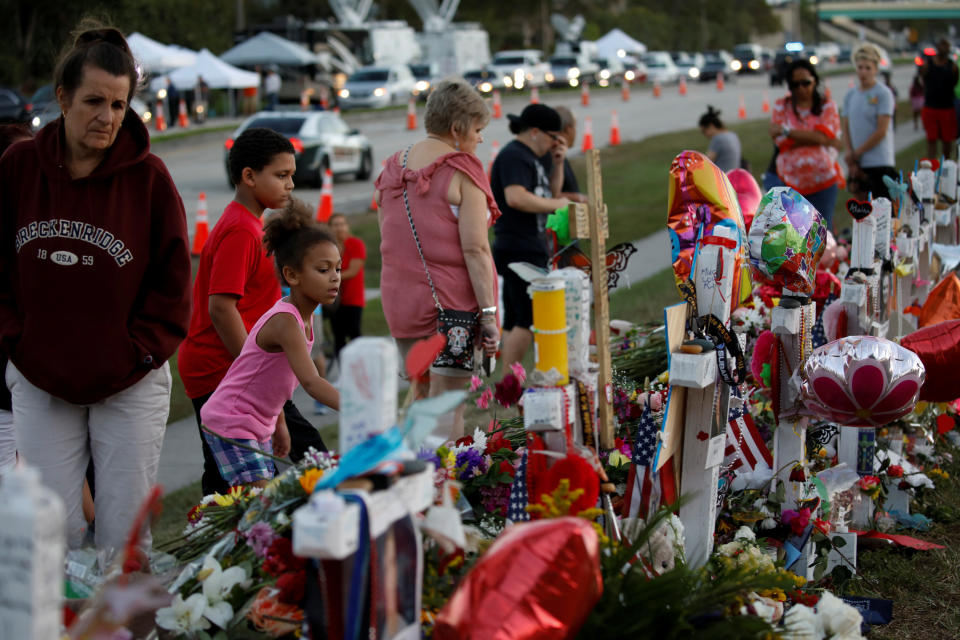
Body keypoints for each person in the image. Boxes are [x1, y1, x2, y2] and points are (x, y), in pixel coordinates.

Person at [0, 24, 191, 550]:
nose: (107, 117)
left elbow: (174, 284)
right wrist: (16, 339)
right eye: (93, 101)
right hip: (41, 379)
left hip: (128, 383)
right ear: (61, 98)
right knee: (48, 531)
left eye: (118, 103)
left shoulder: (149, 179)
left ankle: (127, 632)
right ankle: (53, 632)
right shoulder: (18, 168)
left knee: (123, 536)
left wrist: (140, 351)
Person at [178, 127, 328, 496]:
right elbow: (221, 308)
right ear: (248, 176)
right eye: (281, 175)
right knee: (310, 459)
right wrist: (256, 372)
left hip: (238, 368)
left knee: (227, 480)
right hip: (222, 370)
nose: (290, 184)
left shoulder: (248, 225)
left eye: (292, 175)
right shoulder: (241, 231)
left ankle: (224, 541)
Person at [374, 78, 501, 439]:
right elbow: (476, 248)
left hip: (402, 303)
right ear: (457, 128)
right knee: (448, 408)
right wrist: (489, 314)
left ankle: (415, 482)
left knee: (421, 397)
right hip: (452, 308)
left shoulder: (391, 169)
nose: (479, 139)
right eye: (477, 130)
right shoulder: (462, 171)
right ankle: (445, 486)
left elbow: (389, 236)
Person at [201, 201, 341, 488]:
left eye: (338, 268)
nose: (335, 277)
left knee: (261, 508)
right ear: (292, 275)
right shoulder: (286, 321)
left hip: (255, 425)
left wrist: (279, 425)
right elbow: (312, 383)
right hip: (233, 422)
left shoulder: (302, 317)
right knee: (260, 509)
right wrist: (358, 408)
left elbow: (268, 380)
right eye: (323, 269)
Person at [490, 104, 570, 368]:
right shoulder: (514, 156)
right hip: (517, 247)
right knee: (527, 318)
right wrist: (559, 207)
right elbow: (516, 197)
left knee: (517, 318)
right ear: (534, 132)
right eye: (553, 137)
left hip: (532, 245)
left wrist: (557, 164)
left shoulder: (537, 158)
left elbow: (550, 194)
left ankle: (509, 386)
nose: (554, 143)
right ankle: (510, 386)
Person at [769, 59, 844, 231]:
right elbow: (781, 142)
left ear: (815, 81)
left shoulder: (827, 106)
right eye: (796, 85)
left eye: (806, 83)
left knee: (822, 235)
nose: (801, 88)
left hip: (823, 181)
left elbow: (822, 137)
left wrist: (787, 131)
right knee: (793, 238)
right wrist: (817, 138)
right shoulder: (782, 106)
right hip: (790, 183)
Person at [842, 43, 897, 201]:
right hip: (859, 163)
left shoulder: (883, 93)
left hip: (879, 159)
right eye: (860, 67)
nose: (863, 72)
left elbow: (881, 130)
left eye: (868, 68)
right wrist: (850, 153)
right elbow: (846, 126)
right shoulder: (851, 95)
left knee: (882, 208)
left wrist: (858, 151)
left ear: (876, 69)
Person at [327, 213, 366, 361]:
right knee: (338, 336)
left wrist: (330, 277)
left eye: (342, 224)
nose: (339, 228)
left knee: (355, 334)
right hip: (334, 298)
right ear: (329, 228)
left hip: (353, 298)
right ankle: (343, 373)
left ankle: (361, 368)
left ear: (347, 226)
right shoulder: (328, 247)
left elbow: (353, 270)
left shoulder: (356, 244)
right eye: (335, 225)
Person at [920, 38, 959, 160]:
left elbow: (955, 81)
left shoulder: (952, 66)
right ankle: (932, 166)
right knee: (931, 140)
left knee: (947, 141)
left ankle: (946, 165)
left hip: (946, 107)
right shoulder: (928, 64)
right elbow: (922, 78)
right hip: (931, 107)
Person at [540, 105, 587, 203]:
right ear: (568, 129)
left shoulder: (558, 152)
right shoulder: (549, 154)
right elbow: (545, 192)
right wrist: (577, 198)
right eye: (575, 127)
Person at [699, 106, 742, 172]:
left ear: (711, 126)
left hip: (722, 178)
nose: (705, 135)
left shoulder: (718, 139)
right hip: (734, 176)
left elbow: (705, 164)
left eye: (704, 131)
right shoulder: (733, 135)